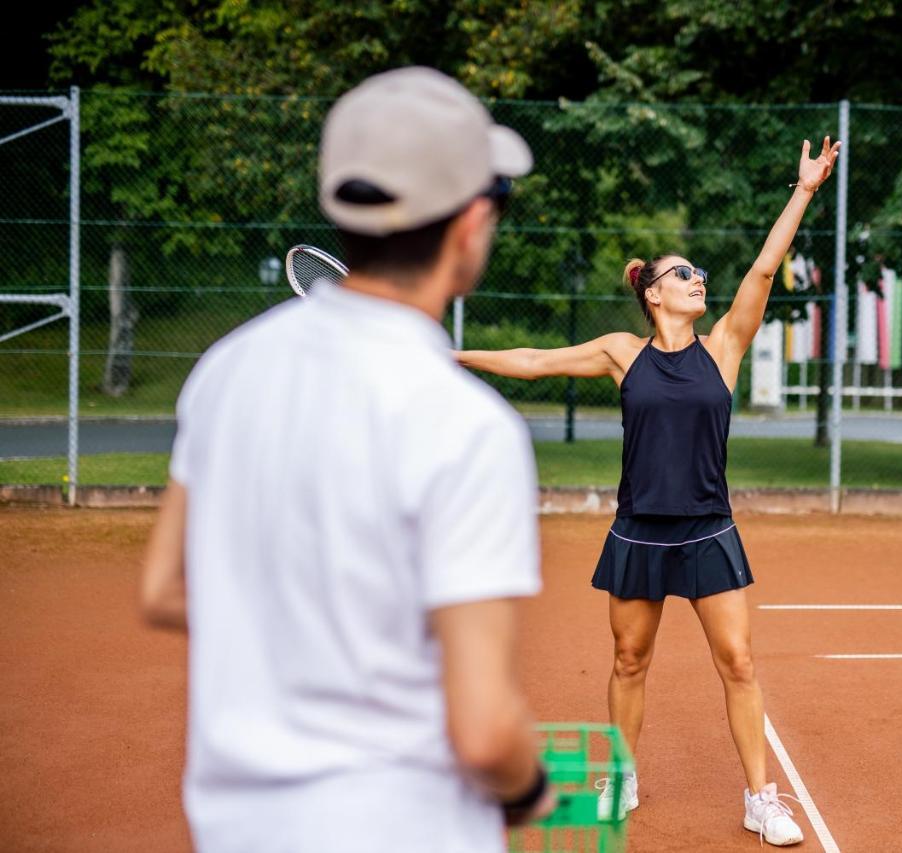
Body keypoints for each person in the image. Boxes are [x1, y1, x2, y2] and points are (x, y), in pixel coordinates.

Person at [139, 66, 555, 852]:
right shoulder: (469, 425)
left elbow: (164, 589)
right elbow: (485, 731)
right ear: (470, 223)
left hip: (237, 831)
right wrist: (530, 788)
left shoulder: (228, 367)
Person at [457, 136, 841, 847]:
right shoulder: (621, 353)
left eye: (697, 273)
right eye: (684, 274)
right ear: (654, 293)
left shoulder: (723, 346)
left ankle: (760, 797)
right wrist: (452, 353)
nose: (700, 279)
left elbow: (764, 267)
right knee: (629, 661)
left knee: (741, 662)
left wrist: (806, 190)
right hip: (638, 530)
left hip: (708, 529)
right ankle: (623, 776)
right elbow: (535, 360)